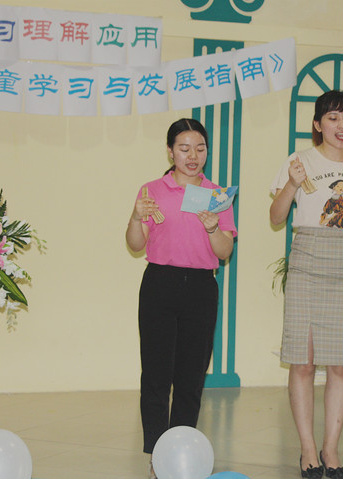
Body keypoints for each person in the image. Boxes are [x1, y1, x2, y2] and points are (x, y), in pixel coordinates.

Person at [270, 90, 343, 479]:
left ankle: (331, 449)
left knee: (341, 363)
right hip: (307, 262)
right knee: (302, 361)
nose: (342, 125)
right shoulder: (299, 160)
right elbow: (276, 216)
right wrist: (291, 183)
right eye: (333, 118)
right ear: (318, 124)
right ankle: (307, 450)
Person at [126, 118, 237, 479]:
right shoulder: (152, 190)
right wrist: (135, 217)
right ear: (170, 151)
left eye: (200, 148)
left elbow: (225, 251)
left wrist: (213, 228)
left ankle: (180, 454)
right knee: (156, 375)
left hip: (201, 287)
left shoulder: (218, 195)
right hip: (160, 283)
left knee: (191, 377)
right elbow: (135, 244)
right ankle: (157, 456)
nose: (193, 156)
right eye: (184, 148)